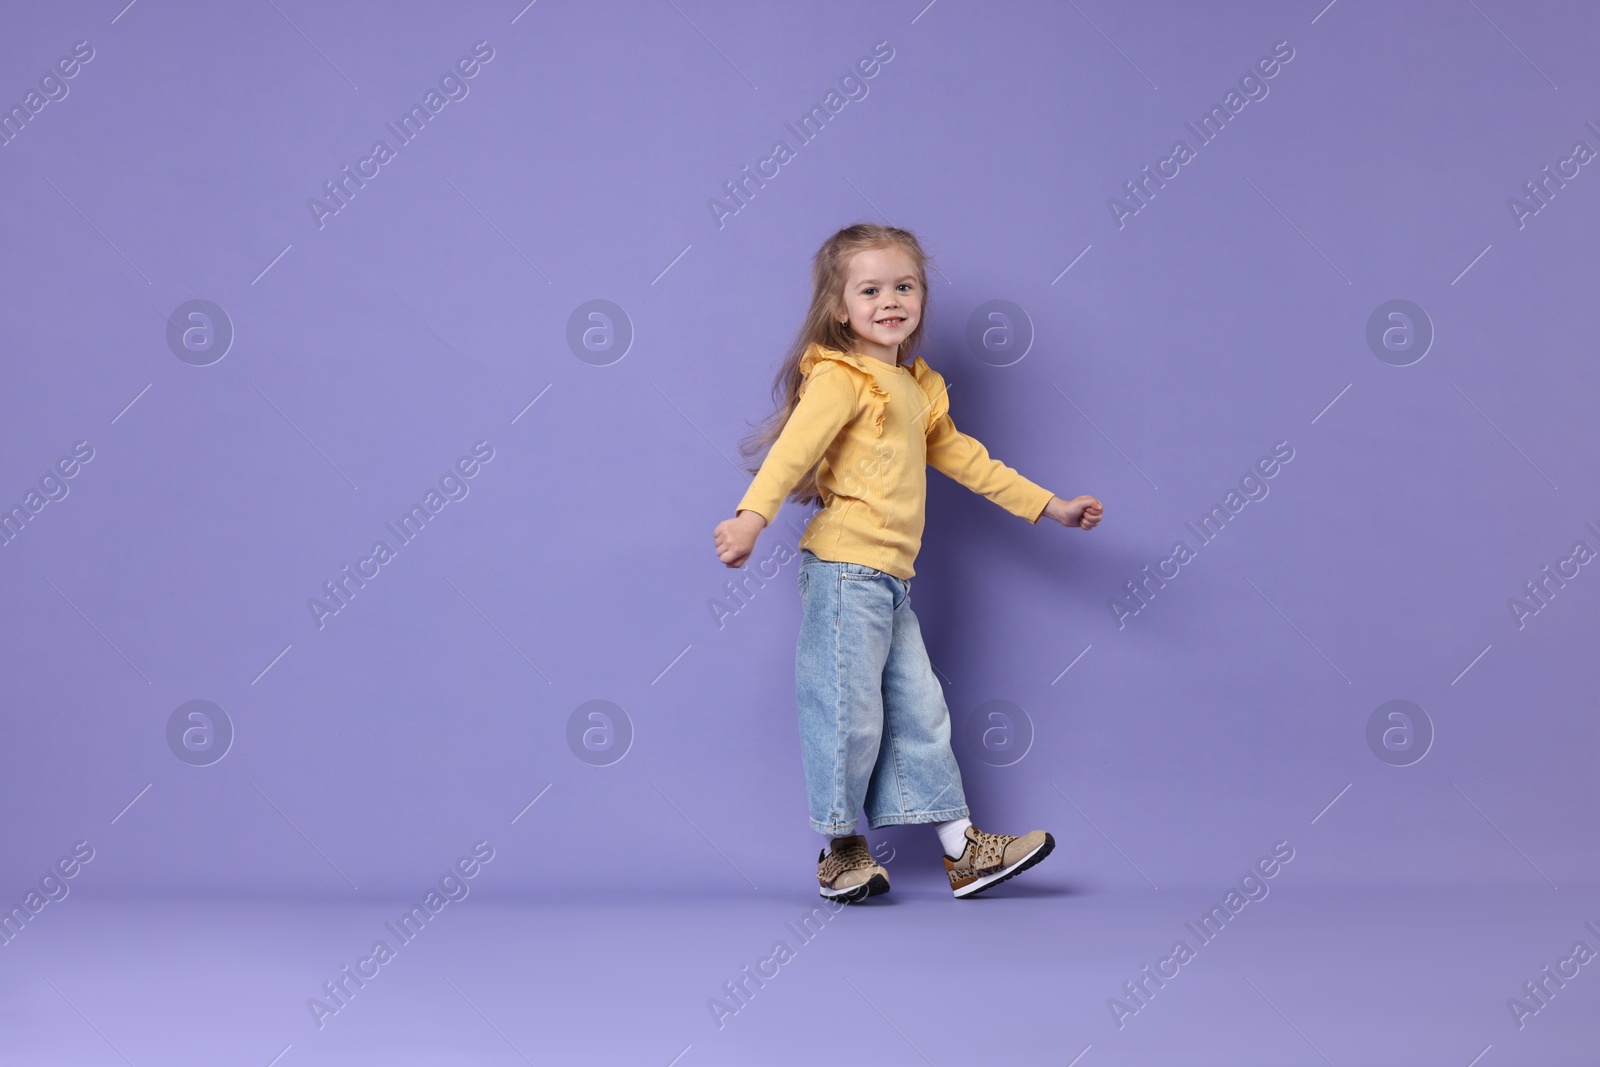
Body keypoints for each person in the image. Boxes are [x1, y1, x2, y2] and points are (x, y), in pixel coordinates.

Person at [712, 223, 1104, 901]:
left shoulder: (919, 387)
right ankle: (841, 849)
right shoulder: (842, 376)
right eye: (870, 289)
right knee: (846, 712)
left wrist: (1052, 506)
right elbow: (794, 452)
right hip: (842, 573)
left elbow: (971, 462)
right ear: (839, 307)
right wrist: (752, 517)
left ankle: (964, 853)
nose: (890, 299)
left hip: (891, 583)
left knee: (922, 711)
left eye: (904, 285)